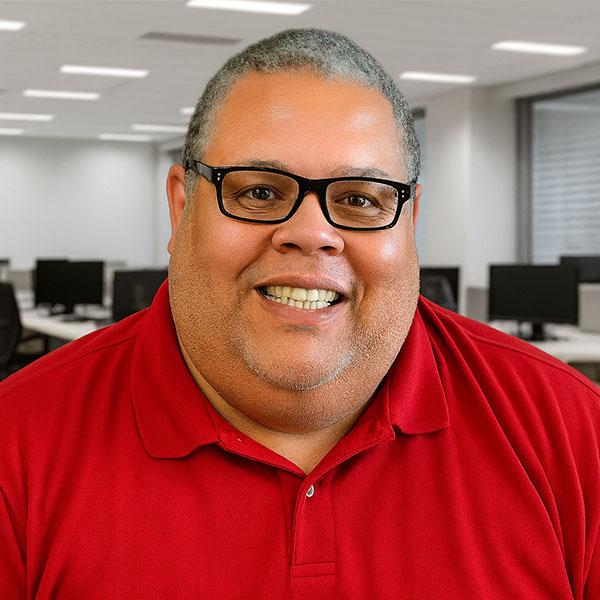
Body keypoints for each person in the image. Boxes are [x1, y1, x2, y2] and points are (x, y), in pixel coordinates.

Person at [0, 28, 598, 599]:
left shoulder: (572, 433)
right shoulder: (16, 444)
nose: (312, 234)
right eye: (259, 192)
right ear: (182, 209)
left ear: (410, 223)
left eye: (360, 198)